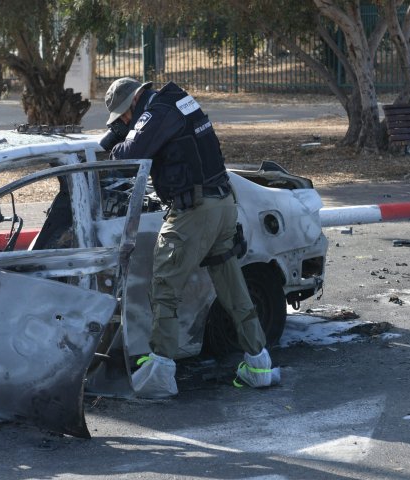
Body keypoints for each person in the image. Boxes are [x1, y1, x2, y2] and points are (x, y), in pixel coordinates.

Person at [101, 77, 279, 398]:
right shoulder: (180, 101)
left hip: (194, 212)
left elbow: (130, 156)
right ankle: (259, 364)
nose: (125, 122)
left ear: (132, 103)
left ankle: (160, 374)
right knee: (232, 286)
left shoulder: (157, 111)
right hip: (223, 204)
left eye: (123, 117)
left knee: (166, 286)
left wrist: (117, 141)